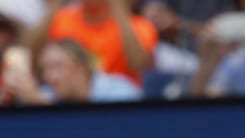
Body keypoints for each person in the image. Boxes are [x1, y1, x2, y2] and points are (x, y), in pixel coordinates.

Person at [26, 0, 158, 85]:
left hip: (121, 105)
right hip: (71, 101)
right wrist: (55, 5)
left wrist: (119, 7)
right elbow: (30, 54)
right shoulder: (62, 19)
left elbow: (141, 67)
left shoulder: (140, 26)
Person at [4, 39, 142, 104]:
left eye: (57, 66)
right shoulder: (47, 95)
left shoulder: (120, 91)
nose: (48, 77)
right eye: (44, 69)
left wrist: (42, 106)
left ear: (82, 69)